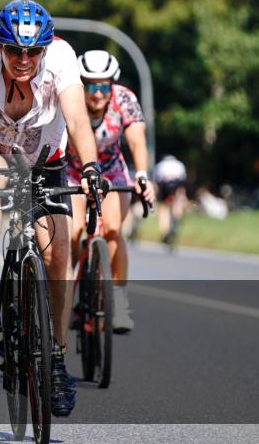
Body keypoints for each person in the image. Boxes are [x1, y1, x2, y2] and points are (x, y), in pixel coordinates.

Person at [0, 0, 105, 418]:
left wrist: (90, 167)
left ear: (44, 48)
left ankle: (55, 357)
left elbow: (77, 119)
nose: (23, 60)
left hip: (46, 159)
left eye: (32, 51)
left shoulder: (60, 56)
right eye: (14, 50)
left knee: (58, 254)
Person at [64, 50, 155, 334]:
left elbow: (138, 141)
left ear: (112, 85)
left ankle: (119, 300)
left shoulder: (124, 99)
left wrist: (141, 175)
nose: (97, 93)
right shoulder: (70, 99)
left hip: (111, 172)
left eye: (104, 86)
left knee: (114, 230)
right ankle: (73, 288)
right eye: (91, 85)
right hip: (73, 171)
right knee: (74, 231)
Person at [154, 154, 188, 249]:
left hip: (165, 185)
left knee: (164, 207)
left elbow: (158, 181)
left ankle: (165, 230)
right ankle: (177, 218)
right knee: (179, 200)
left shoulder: (160, 165)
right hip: (177, 183)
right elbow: (183, 180)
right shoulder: (180, 165)